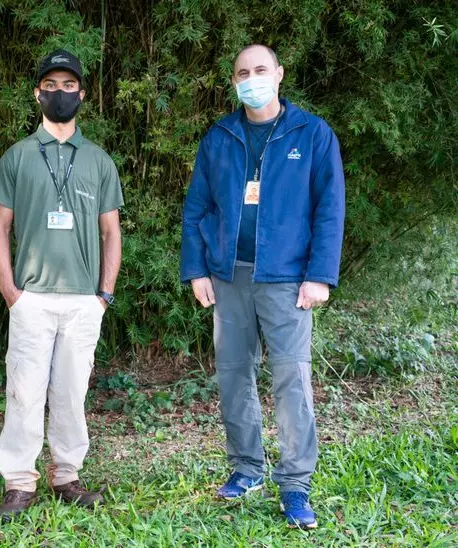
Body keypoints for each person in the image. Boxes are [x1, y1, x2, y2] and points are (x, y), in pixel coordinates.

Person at [179, 44, 345, 529]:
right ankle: (247, 468)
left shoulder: (311, 133)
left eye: (260, 70)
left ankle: (295, 484)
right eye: (242, 73)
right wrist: (197, 270)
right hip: (229, 275)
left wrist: (320, 275)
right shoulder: (220, 136)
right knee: (233, 375)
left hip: (287, 277)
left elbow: (329, 208)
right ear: (234, 82)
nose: (251, 79)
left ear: (279, 74)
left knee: (291, 379)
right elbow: (196, 208)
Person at [0, 49, 124, 519]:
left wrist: (104, 294)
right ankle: (19, 483)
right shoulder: (18, 157)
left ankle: (66, 475)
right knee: (23, 392)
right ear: (37, 94)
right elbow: (0, 227)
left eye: (68, 86)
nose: (60, 93)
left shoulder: (99, 161)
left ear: (82, 94)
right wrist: (11, 291)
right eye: (51, 86)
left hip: (84, 300)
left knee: (71, 393)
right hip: (32, 297)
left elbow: (111, 232)